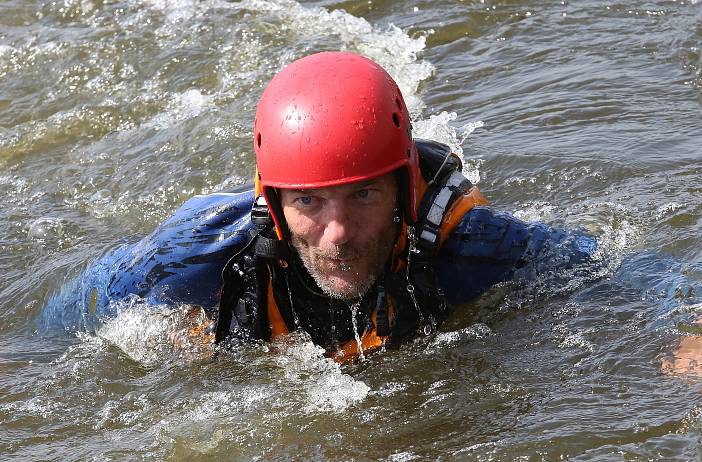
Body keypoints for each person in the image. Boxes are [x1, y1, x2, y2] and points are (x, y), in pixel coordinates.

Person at [38, 51, 599, 361]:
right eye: (308, 200)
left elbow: (616, 271)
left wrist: (691, 325)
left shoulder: (471, 245)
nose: (338, 233)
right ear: (273, 201)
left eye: (363, 194)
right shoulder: (197, 251)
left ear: (404, 188)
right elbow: (71, 313)